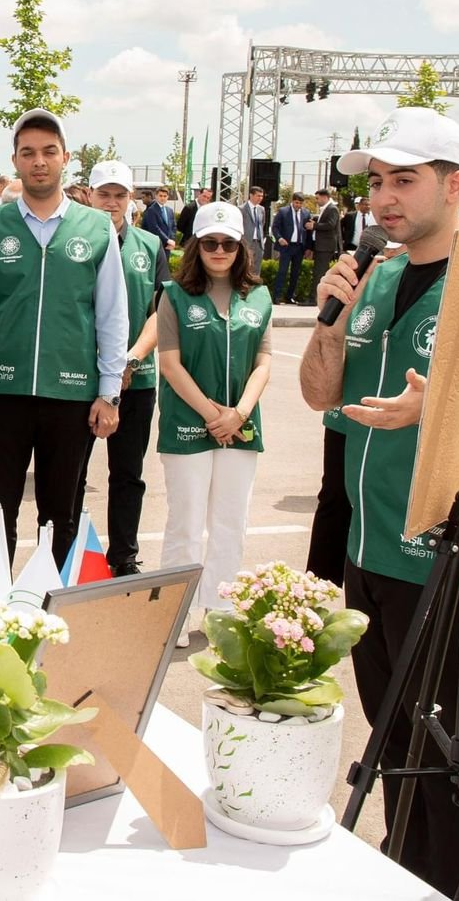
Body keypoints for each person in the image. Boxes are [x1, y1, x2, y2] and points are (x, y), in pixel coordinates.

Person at [300, 107, 459, 896]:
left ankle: (458, 880)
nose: (383, 198)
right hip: (371, 552)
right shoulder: (370, 279)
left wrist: (438, 408)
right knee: (396, 734)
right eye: (376, 182)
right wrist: (332, 323)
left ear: (458, 185)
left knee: (449, 749)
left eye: (403, 180)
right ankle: (408, 870)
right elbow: (319, 396)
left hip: (454, 563)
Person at [0, 110, 128, 566]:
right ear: (14, 160)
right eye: (28, 153)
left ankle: (50, 618)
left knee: (59, 516)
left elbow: (112, 315)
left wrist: (109, 392)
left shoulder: (96, 229)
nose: (39, 162)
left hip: (70, 393)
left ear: (65, 159)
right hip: (1, 391)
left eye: (49, 152)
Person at [157, 202, 273, 646]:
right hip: (188, 427)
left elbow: (263, 362)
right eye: (210, 242)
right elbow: (169, 364)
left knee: (230, 521)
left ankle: (222, 611)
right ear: (196, 246)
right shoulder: (174, 295)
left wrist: (238, 414)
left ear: (241, 246)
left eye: (228, 242)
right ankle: (177, 614)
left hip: (242, 428)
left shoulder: (259, 296)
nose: (219, 250)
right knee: (184, 523)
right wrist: (213, 415)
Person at [83, 161, 170, 575]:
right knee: (70, 475)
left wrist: (131, 359)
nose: (112, 203)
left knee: (127, 475)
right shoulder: (75, 241)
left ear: (131, 198)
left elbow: (160, 312)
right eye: (104, 194)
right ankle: (65, 553)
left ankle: (123, 557)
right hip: (79, 382)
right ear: (89, 195)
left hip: (136, 381)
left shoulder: (150, 246)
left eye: (120, 195)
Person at [270, 192, 310, 303]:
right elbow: (275, 227)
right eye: (297, 203)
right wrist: (279, 238)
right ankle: (277, 296)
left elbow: (308, 232)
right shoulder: (283, 212)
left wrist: (308, 247)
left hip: (299, 247)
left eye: (300, 203)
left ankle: (289, 296)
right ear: (292, 201)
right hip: (286, 246)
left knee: (295, 273)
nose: (298, 205)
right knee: (282, 271)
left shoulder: (306, 213)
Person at [309, 188, 341, 295]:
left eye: (317, 198)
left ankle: (314, 298)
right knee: (319, 272)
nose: (316, 201)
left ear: (324, 197)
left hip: (325, 246)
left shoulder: (332, 209)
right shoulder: (327, 209)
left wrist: (314, 225)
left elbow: (330, 224)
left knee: (320, 273)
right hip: (321, 246)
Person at [241, 185, 267, 270]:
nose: (260, 198)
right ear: (251, 195)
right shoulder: (242, 209)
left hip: (258, 242)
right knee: (245, 266)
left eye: (262, 196)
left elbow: (262, 223)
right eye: (258, 196)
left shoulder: (261, 209)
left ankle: (255, 282)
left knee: (257, 266)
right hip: (247, 242)